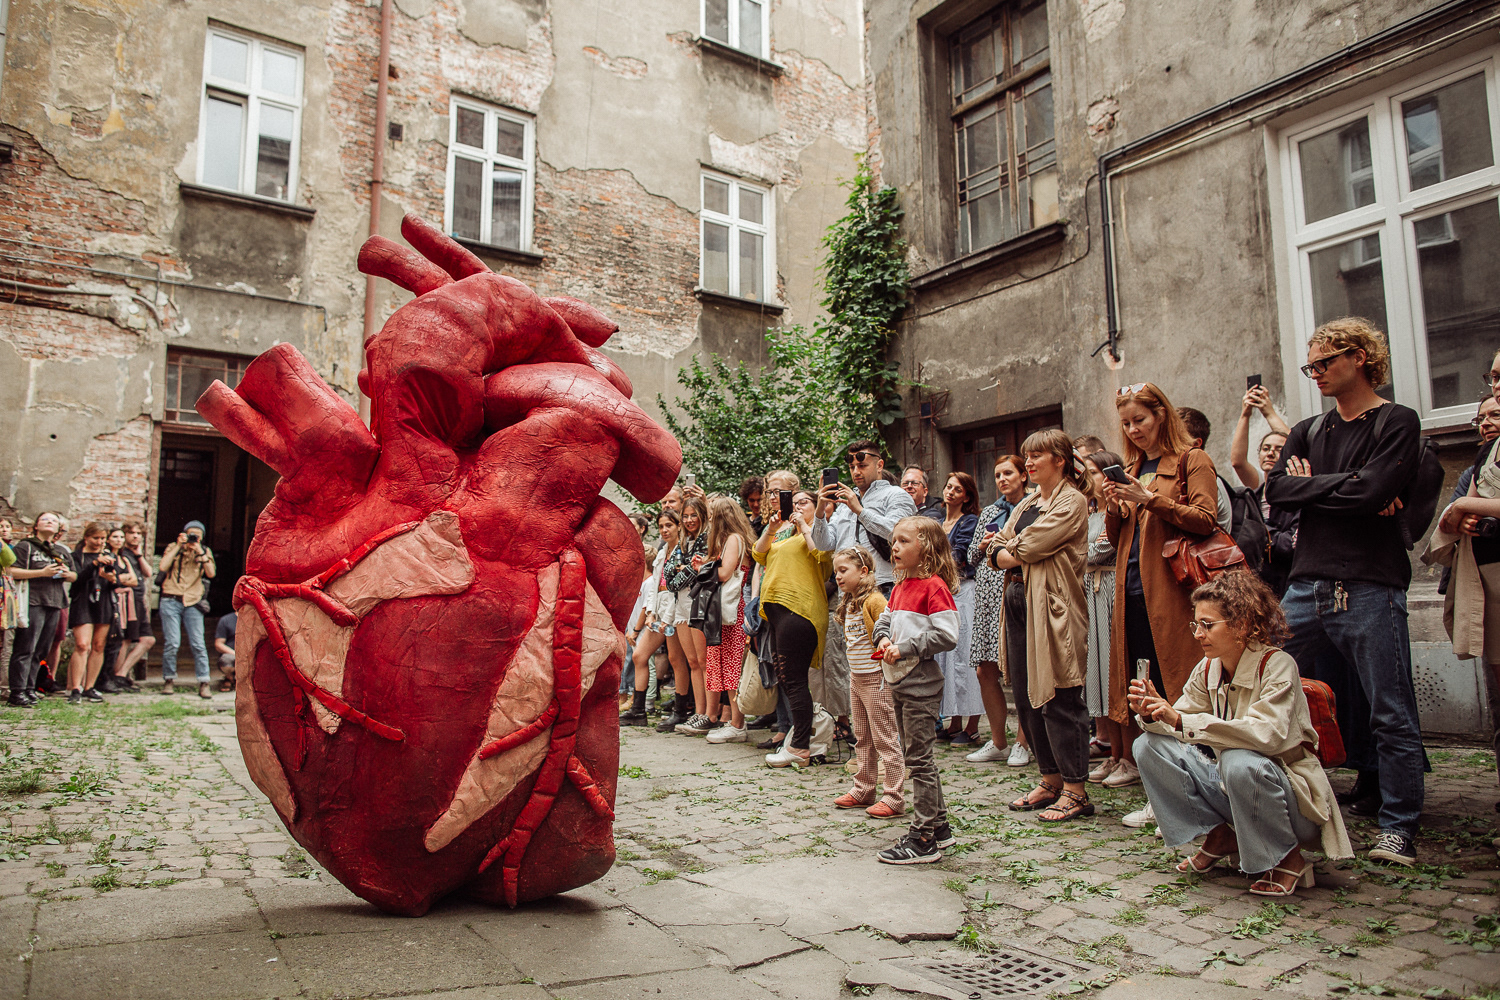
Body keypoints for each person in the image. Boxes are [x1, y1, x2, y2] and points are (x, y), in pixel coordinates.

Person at [1266, 317, 1426, 867]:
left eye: (1323, 364)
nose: (1315, 375)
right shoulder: (1309, 430)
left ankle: (1399, 828)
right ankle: (1259, 804)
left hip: (1370, 582)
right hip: (1307, 582)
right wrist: (1347, 487)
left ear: (1358, 357)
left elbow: (1376, 489)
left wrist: (1320, 488)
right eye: (1310, 366)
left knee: (1390, 709)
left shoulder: (1396, 421)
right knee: (1259, 678)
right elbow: (1279, 492)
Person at [1132, 571, 1353, 897]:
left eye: (1208, 625)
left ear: (1243, 624)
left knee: (1238, 760)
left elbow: (1266, 736)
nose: (1198, 634)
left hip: (1295, 803)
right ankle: (1220, 834)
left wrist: (1180, 720)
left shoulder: (1278, 665)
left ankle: (1289, 856)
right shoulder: (1209, 667)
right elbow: (1178, 723)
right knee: (1149, 745)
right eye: (1196, 625)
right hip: (1235, 787)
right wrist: (1151, 713)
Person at [1101, 383, 1221, 795]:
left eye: (1140, 420)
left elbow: (1206, 519)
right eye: (1126, 424)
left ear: (1162, 416)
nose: (1133, 430)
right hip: (1131, 592)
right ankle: (1163, 791)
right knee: (1143, 688)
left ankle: (1200, 790)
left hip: (1174, 593)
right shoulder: (1132, 468)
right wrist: (1114, 507)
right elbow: (1119, 539)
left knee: (1179, 688)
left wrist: (1148, 499)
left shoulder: (1193, 459)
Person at [989, 430, 1094, 823]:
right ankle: (1049, 780)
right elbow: (1000, 540)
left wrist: (1004, 552)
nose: (1029, 463)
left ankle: (1076, 789)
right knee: (1027, 695)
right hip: (1017, 600)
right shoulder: (1031, 500)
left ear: (1060, 460)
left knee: (1059, 695)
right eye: (1026, 457)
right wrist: (1003, 550)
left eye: (1037, 457)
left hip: (1052, 607)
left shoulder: (1073, 500)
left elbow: (1029, 545)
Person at [1425, 347, 1500, 809]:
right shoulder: (1485, 456)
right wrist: (1461, 516)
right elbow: (1453, 515)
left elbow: (1466, 504)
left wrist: (1468, 508)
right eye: (1492, 378)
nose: (1495, 386)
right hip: (1487, 579)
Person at [872, 517, 960, 863]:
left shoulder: (934, 587)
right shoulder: (900, 585)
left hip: (920, 684)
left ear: (925, 548)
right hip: (899, 681)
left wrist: (906, 647)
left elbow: (947, 634)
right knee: (915, 756)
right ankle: (939, 827)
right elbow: (886, 619)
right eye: (893, 541)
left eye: (903, 541)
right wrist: (882, 636)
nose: (894, 547)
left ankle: (923, 838)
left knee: (919, 760)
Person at [752, 489, 833, 767]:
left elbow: (822, 557)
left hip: (800, 611)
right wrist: (773, 528)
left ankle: (799, 746)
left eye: (803, 503)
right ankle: (798, 742)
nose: (796, 507)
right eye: (794, 503)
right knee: (787, 680)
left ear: (816, 507)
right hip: (777, 613)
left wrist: (804, 526)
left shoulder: (818, 533)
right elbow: (758, 554)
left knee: (795, 680)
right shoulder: (783, 533)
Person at [966, 456, 1033, 766]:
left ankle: (1024, 740)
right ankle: (998, 741)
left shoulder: (1035, 506)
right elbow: (970, 555)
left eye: (1008, 473)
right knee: (984, 670)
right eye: (997, 475)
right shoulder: (990, 511)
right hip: (988, 597)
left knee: (1023, 670)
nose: (1002, 479)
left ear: (1023, 475)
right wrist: (983, 546)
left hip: (1019, 590)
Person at [829, 547, 905, 817]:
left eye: (843, 570)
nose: (837, 576)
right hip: (856, 678)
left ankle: (894, 795)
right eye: (836, 571)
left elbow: (890, 630)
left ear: (863, 571)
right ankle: (863, 787)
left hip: (876, 679)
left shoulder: (874, 600)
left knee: (885, 739)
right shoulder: (850, 602)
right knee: (862, 737)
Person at [812, 441, 918, 596]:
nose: (856, 472)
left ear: (879, 465)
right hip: (848, 593)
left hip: (883, 586)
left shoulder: (896, 495)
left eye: (862, 466)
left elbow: (899, 533)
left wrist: (860, 511)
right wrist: (820, 510)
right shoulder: (843, 504)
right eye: (852, 467)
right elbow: (823, 544)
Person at [1082, 451, 1126, 788]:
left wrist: (1084, 549)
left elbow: (1099, 549)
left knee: (1114, 670)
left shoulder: (1117, 508)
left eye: (1094, 471)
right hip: (1091, 592)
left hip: (1110, 587)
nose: (1089, 477)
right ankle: (1113, 754)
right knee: (1097, 670)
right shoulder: (1089, 511)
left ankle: (1128, 757)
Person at [1230, 386, 1297, 596]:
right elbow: (1238, 462)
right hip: (1260, 575)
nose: (1270, 453)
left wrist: (1268, 412)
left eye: (1279, 450)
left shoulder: (1298, 485)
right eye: (1266, 449)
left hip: (1287, 574)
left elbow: (1296, 444)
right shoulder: (1257, 486)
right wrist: (1245, 414)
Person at [5, 513, 75, 706]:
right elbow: (11, 571)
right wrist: (42, 573)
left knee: (41, 649)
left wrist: (67, 574)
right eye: (45, 519)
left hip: (54, 602)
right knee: (25, 646)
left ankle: (30, 688)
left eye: (53, 520)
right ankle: (17, 692)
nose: (49, 522)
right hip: (32, 600)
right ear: (36, 526)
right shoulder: (25, 546)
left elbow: (74, 575)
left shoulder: (60, 550)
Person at [935, 472, 983, 745]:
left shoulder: (970, 522)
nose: (951, 492)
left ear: (967, 495)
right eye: (949, 486)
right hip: (945, 593)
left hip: (964, 590)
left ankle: (973, 725)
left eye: (958, 489)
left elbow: (959, 556)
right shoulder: (940, 522)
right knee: (949, 658)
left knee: (966, 655)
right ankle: (954, 722)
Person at [703, 496, 756, 744]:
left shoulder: (733, 539)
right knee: (728, 664)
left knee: (732, 665)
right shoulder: (736, 538)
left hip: (732, 611)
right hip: (732, 609)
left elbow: (724, 573)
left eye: (713, 515)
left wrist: (707, 565)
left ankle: (737, 724)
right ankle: (735, 722)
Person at [158, 519, 217, 698]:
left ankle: (204, 681)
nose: (193, 538)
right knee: (172, 643)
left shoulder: (205, 551)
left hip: (193, 600)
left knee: (198, 643)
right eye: (190, 534)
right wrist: (178, 546)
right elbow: (162, 566)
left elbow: (211, 573)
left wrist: (199, 551)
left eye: (196, 535)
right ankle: (168, 680)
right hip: (170, 598)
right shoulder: (173, 548)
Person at [67, 522, 120, 704]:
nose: (99, 542)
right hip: (82, 600)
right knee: (82, 645)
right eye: (95, 538)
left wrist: (111, 578)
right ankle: (75, 687)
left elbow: (116, 583)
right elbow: (77, 580)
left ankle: (90, 686)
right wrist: (95, 564)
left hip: (103, 600)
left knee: (98, 645)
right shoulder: (76, 556)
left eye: (103, 538)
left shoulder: (109, 556)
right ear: (86, 538)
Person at [105, 520, 155, 691]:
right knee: (125, 640)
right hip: (126, 600)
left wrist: (140, 555)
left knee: (147, 639)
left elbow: (148, 573)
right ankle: (116, 676)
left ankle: (121, 673)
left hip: (138, 601)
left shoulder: (135, 554)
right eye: (132, 533)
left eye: (139, 534)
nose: (136, 536)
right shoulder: (121, 553)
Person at [214, 609, 238, 692]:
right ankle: (229, 678)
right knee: (226, 660)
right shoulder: (226, 620)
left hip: (251, 654)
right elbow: (218, 644)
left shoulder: (256, 619)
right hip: (232, 654)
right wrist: (236, 654)